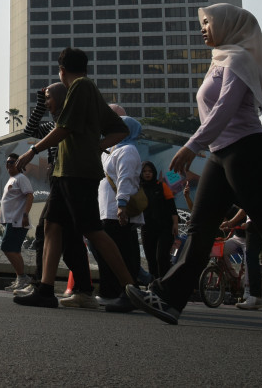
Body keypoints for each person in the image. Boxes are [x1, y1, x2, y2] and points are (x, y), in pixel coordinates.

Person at [125, 4, 262, 333]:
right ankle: (168, 297)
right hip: (221, 153)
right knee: (199, 229)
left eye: (208, 22)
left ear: (228, 25)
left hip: (247, 151)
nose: (203, 28)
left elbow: (224, 107)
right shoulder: (220, 59)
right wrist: (203, 146)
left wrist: (191, 145)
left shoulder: (238, 58)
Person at [14, 48, 135, 312]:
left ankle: (130, 289)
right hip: (64, 172)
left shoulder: (79, 87)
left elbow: (64, 128)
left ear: (62, 70)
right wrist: (97, 145)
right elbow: (120, 128)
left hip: (77, 172)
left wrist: (32, 151)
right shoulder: (89, 89)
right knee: (52, 227)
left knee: (93, 230)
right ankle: (45, 289)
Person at [96, 116, 144, 307]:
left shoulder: (128, 150)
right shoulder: (112, 150)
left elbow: (126, 179)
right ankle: (112, 291)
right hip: (107, 210)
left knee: (122, 253)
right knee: (111, 253)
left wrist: (122, 205)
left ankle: (126, 292)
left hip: (118, 210)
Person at [0, 152, 34, 291]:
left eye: (12, 162)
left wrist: (25, 214)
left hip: (18, 221)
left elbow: (30, 196)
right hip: (12, 221)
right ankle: (21, 278)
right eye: (7, 162)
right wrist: (0, 213)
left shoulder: (21, 178)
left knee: (6, 247)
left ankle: (23, 277)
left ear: (19, 164)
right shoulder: (12, 180)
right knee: (15, 251)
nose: (8, 164)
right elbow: (12, 201)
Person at [139, 162, 178, 281]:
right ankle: (154, 286)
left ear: (154, 173)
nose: (147, 173)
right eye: (144, 171)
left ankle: (165, 284)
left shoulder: (161, 186)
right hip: (147, 228)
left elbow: (172, 207)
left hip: (165, 228)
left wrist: (175, 224)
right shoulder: (138, 187)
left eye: (149, 171)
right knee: (151, 259)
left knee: (161, 257)